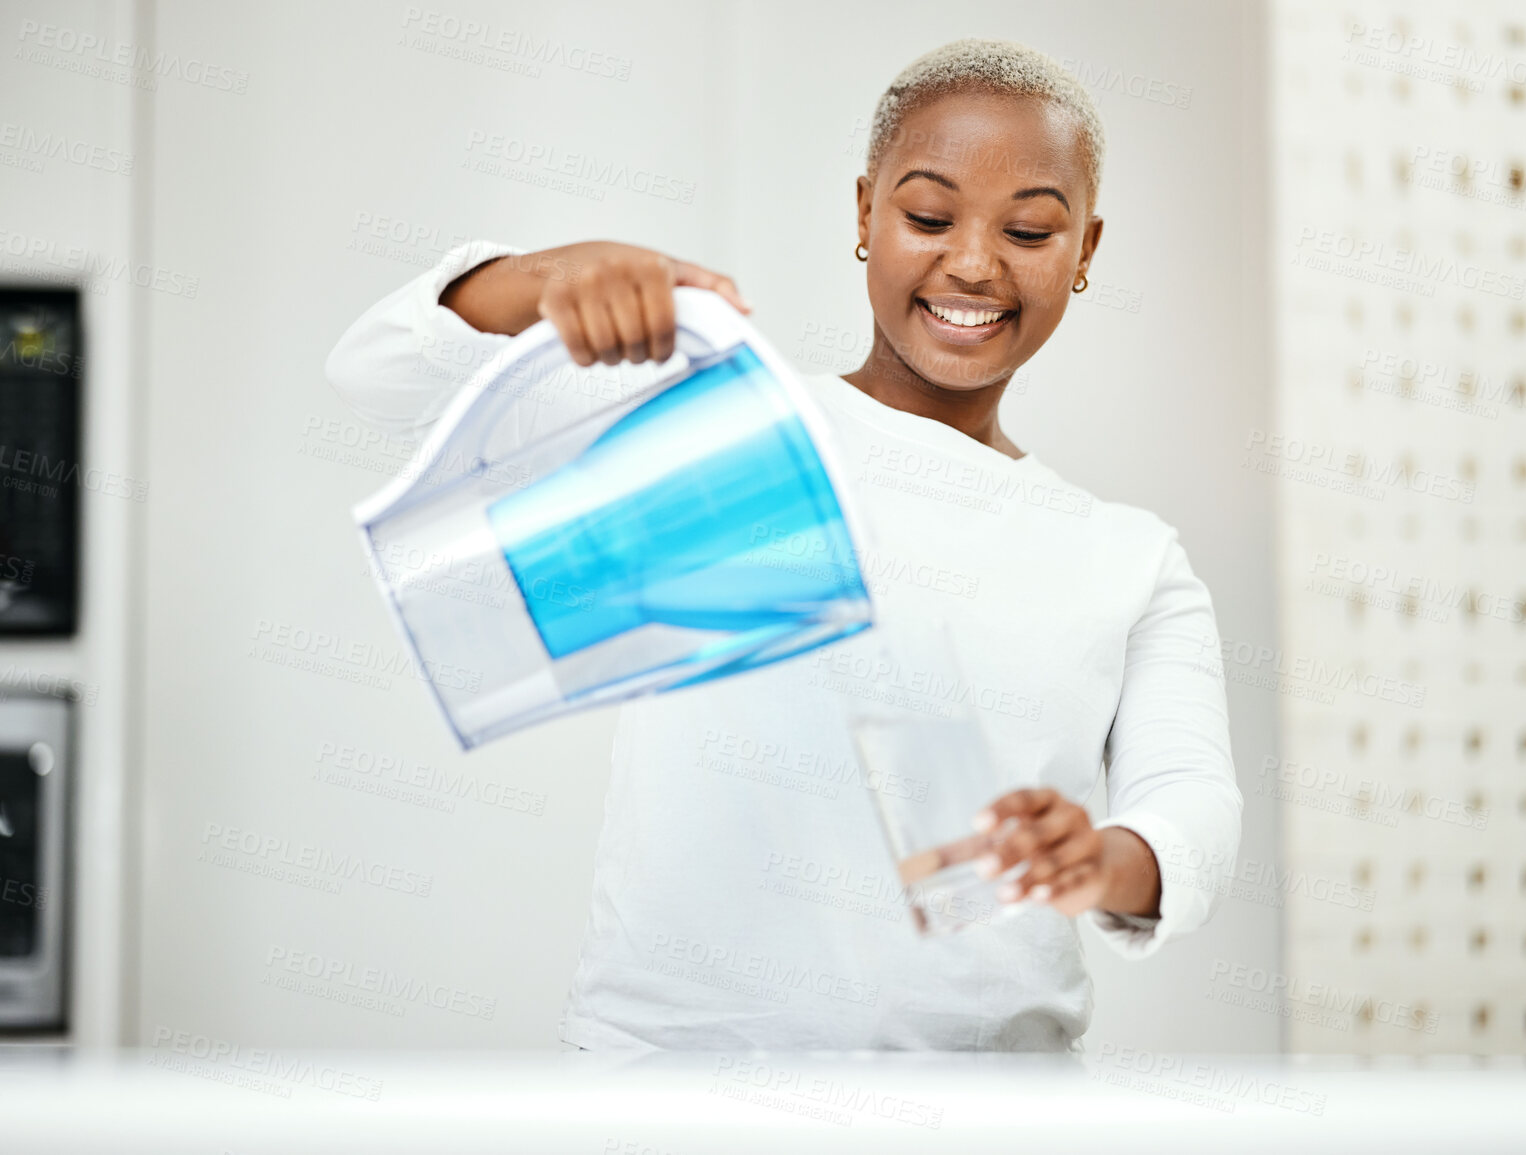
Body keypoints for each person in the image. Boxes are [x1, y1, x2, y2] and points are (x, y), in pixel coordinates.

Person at [325, 37, 1241, 1052]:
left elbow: (1192, 805)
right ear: (865, 214)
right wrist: (542, 280)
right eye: (928, 217)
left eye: (1029, 229)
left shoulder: (1126, 557)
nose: (973, 262)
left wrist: (1107, 860)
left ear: (1086, 251)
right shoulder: (722, 425)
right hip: (676, 1091)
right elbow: (370, 374)